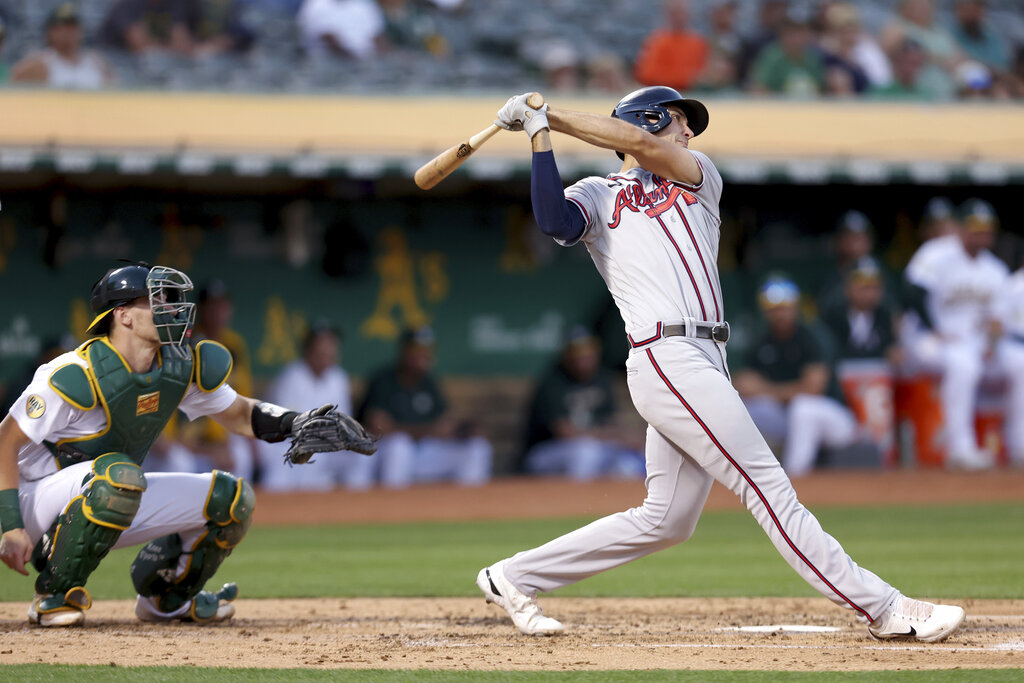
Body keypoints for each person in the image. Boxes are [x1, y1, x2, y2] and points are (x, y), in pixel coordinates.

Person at [476, 86, 965, 641]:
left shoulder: (698, 173)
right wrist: (540, 139)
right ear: (650, 117)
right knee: (767, 487)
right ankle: (884, 608)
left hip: (707, 355)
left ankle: (514, 576)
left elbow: (637, 142)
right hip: (666, 355)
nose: (689, 132)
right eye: (679, 121)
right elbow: (553, 221)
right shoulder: (597, 192)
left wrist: (548, 114)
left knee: (666, 520)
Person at [0, 263, 375, 627]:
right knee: (120, 477)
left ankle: (166, 599)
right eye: (158, 300)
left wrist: (297, 422)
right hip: (28, 500)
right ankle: (55, 594)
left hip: (109, 493)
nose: (172, 308)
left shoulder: (175, 367)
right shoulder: (73, 374)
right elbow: (6, 441)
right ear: (124, 315)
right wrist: (10, 525)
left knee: (230, 500)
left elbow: (240, 413)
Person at [902, 198, 1009, 468]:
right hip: (928, 340)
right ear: (961, 228)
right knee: (964, 365)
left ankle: (1019, 444)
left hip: (975, 343)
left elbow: (998, 319)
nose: (982, 233)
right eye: (975, 227)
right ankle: (960, 448)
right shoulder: (936, 252)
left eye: (987, 228)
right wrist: (934, 328)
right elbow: (912, 292)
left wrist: (993, 346)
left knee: (1018, 363)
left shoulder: (995, 269)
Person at [734, 276, 859, 476]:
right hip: (788, 416)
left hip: (834, 419)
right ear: (765, 310)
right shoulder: (761, 342)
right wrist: (763, 391)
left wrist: (765, 389)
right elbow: (743, 384)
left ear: (795, 307)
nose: (780, 314)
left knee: (803, 407)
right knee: (743, 409)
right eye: (774, 308)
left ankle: (795, 478)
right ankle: (746, 476)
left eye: (785, 307)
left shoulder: (813, 336)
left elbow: (812, 390)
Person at [359, 326, 491, 488]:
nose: (424, 355)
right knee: (400, 445)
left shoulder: (429, 382)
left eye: (427, 349)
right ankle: (392, 507)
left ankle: (469, 509)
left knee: (477, 448)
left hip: (425, 453)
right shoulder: (383, 380)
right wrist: (428, 431)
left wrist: (464, 430)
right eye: (418, 349)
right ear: (404, 350)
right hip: (385, 455)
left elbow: (445, 425)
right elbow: (379, 428)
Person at [156, 280, 256, 480]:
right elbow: (168, 426)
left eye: (223, 306)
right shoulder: (183, 346)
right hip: (183, 442)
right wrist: (208, 450)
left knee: (243, 452)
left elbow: (243, 399)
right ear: (201, 310)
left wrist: (227, 445)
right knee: (179, 462)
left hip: (215, 438)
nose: (218, 313)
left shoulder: (234, 345)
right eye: (212, 306)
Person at [256, 322, 374, 491]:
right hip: (284, 443)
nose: (328, 349)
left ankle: (359, 508)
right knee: (283, 468)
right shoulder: (291, 377)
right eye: (323, 344)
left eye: (331, 344)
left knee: (359, 454)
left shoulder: (338, 378)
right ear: (309, 348)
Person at [521, 326, 643, 481]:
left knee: (627, 462)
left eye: (587, 354)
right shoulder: (553, 382)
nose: (582, 361)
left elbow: (611, 423)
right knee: (585, 450)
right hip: (545, 453)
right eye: (576, 355)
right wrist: (607, 436)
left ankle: (612, 504)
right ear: (566, 356)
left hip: (594, 447)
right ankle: (576, 503)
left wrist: (626, 439)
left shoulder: (602, 379)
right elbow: (564, 432)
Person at [10, 3, 113, 89]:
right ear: (49, 32)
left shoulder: (96, 61)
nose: (67, 33)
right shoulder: (39, 62)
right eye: (61, 28)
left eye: (72, 27)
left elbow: (113, 89)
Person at [633, 0, 708, 92]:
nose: (679, 17)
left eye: (682, 12)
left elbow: (705, 73)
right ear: (667, 14)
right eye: (675, 13)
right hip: (664, 93)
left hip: (695, 93)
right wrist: (683, 79)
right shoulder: (657, 41)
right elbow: (647, 74)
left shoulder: (698, 42)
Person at [748, 8, 825, 97]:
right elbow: (758, 88)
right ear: (783, 34)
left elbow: (821, 89)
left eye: (800, 31)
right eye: (791, 32)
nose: (796, 37)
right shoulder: (771, 57)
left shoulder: (813, 58)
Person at [101, 0, 198, 56]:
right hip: (114, 61)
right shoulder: (127, 4)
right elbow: (142, 47)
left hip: (159, 64)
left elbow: (183, 46)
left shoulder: (177, 4)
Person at [297, 0, 385, 59]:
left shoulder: (363, 5)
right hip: (330, 61)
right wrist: (356, 58)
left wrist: (391, 56)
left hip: (365, 60)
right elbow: (328, 39)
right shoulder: (316, 4)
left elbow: (377, 38)